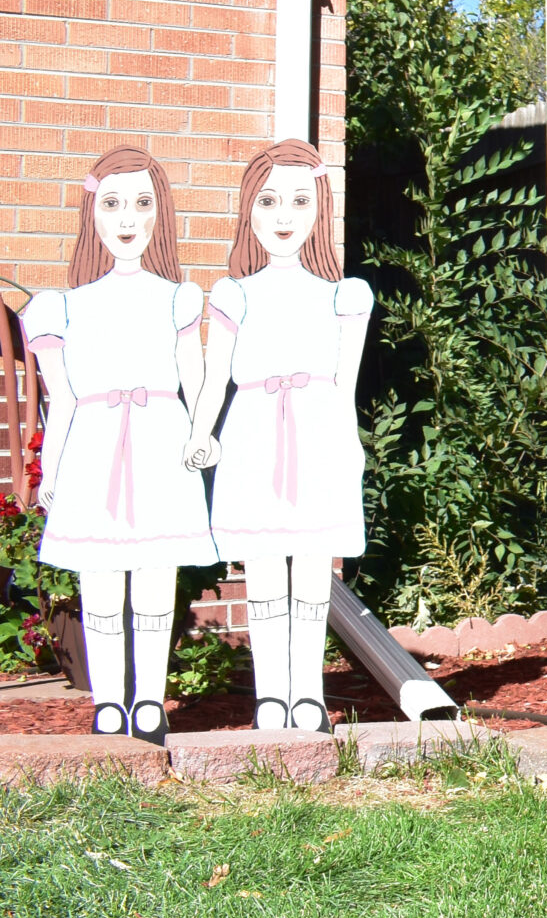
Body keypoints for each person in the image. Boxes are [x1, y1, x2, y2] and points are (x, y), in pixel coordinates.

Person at [24, 146, 217, 745]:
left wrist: (201, 434)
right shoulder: (61, 308)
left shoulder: (178, 298)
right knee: (102, 583)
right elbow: (63, 400)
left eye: (141, 203)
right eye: (112, 204)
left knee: (156, 582)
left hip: (160, 444)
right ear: (93, 214)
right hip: (94, 449)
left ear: (159, 212)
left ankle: (150, 704)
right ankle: (109, 704)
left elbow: (197, 379)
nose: (127, 218)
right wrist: (49, 468)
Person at [184, 139, 374, 733]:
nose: (285, 216)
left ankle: (308, 694)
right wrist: (201, 432)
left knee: (314, 575)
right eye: (269, 201)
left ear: (320, 208)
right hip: (252, 436)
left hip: (317, 433)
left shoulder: (345, 296)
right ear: (250, 211)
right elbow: (216, 380)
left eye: (299, 200)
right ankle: (271, 696)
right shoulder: (233, 295)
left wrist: (351, 444)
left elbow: (345, 386)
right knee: (264, 572)